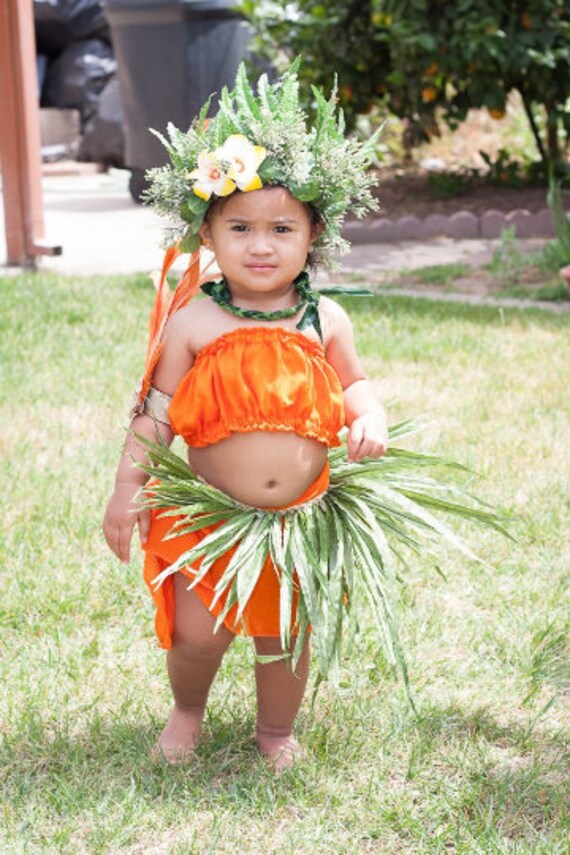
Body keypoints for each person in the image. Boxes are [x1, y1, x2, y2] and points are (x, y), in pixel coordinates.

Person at [103, 63, 388, 770]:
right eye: (240, 227)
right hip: (211, 515)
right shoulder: (195, 321)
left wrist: (369, 414)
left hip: (299, 519)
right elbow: (155, 414)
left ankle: (275, 731)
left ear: (313, 234)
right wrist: (124, 488)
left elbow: (355, 386)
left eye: (282, 227)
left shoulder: (325, 318)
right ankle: (187, 708)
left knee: (286, 632)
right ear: (208, 233)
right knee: (198, 633)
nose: (261, 245)